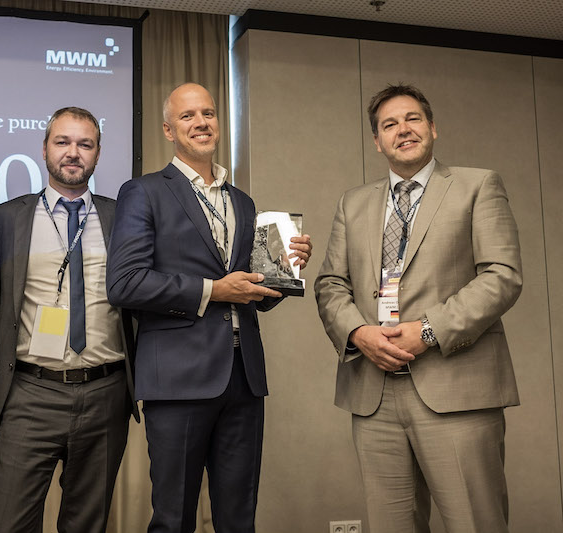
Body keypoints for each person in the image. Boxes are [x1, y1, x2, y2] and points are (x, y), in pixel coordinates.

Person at [314, 83, 522, 532]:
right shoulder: (353, 203)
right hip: (374, 393)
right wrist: (358, 333)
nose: (402, 130)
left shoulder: (477, 185)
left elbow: (502, 276)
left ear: (432, 127)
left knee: (475, 523)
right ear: (377, 141)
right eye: (389, 124)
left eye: (412, 119)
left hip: (456, 387)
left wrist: (427, 330)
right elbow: (331, 283)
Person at [106, 83, 312, 533]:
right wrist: (212, 291)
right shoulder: (143, 192)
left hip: (244, 378)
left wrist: (284, 271)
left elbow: (252, 296)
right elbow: (125, 283)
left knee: (239, 518)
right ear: (167, 130)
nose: (201, 123)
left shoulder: (243, 202)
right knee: (173, 517)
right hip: (178, 380)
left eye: (209, 113)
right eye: (188, 116)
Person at [0, 106, 137, 533]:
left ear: (98, 154)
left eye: (85, 144)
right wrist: (15, 335)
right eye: (63, 142)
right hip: (30, 392)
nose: (73, 153)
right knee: (11, 522)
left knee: (87, 522)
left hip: (107, 392)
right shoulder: (7, 217)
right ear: (44, 149)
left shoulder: (122, 216)